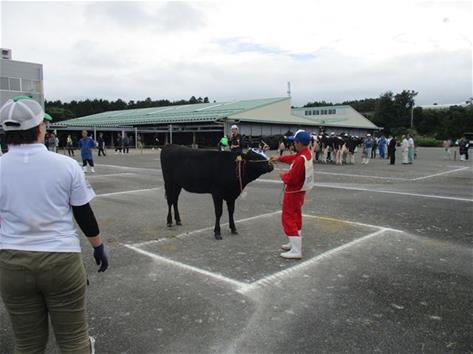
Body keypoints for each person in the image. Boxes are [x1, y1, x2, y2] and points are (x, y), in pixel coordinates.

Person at [0, 96, 108, 353]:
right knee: (74, 341)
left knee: (27, 344)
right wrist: (99, 247)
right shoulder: (66, 166)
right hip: (61, 261)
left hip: (12, 264)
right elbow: (84, 215)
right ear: (40, 128)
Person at [270, 130, 314, 259]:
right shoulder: (305, 154)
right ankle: (294, 242)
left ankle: (296, 250)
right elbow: (293, 158)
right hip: (300, 191)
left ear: (299, 142)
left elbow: (292, 179)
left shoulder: (301, 159)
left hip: (293, 191)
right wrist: (279, 158)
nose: (293, 143)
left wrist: (283, 176)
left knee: (288, 217)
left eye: (294, 141)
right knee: (296, 216)